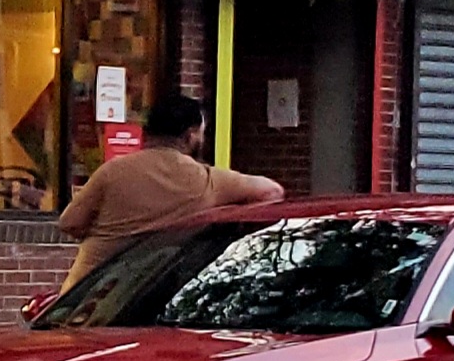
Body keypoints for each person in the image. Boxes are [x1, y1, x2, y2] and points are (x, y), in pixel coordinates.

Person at [55, 93, 284, 293]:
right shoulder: (207, 181)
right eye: (202, 133)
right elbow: (271, 192)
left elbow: (69, 222)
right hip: (152, 299)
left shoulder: (112, 171)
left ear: (147, 132)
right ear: (190, 136)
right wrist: (223, 228)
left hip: (85, 296)